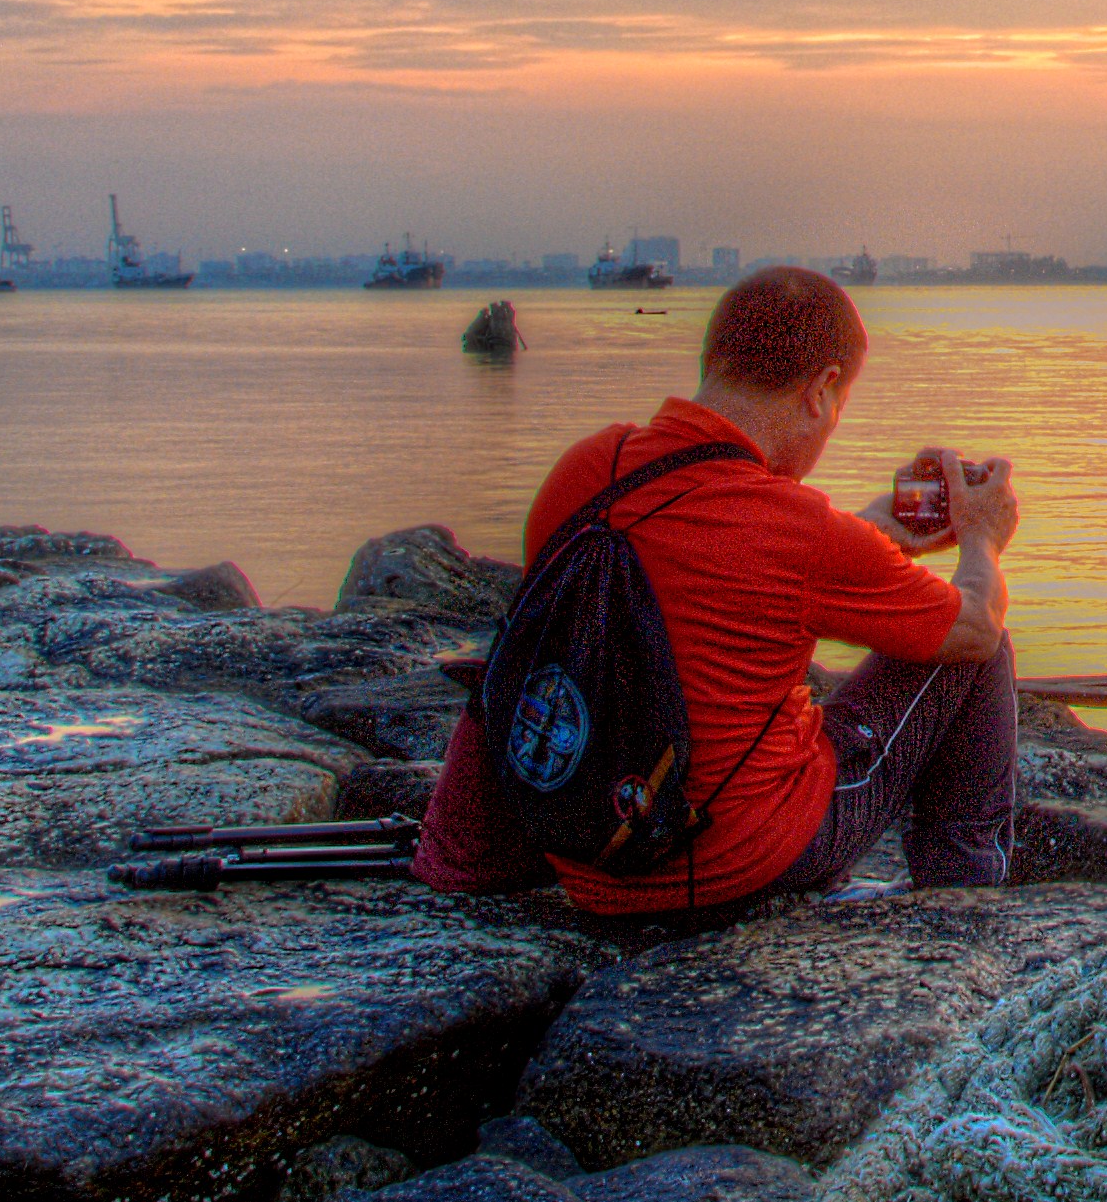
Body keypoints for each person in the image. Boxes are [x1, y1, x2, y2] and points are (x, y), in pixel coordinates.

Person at [414, 260, 1021, 916]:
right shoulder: (801, 533)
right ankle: (966, 902)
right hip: (740, 863)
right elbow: (972, 624)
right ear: (822, 389)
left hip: (592, 852)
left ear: (713, 359)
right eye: (839, 407)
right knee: (985, 648)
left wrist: (877, 534)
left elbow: (716, 549)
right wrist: (981, 536)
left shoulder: (590, 468)